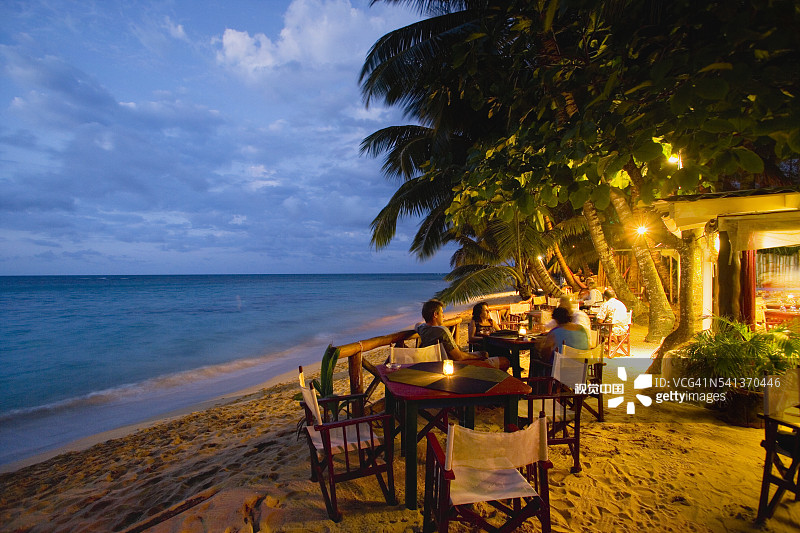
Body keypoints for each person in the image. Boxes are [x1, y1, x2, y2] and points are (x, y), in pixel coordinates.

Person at [416, 299, 510, 370]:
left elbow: (417, 325)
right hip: (456, 365)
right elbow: (459, 357)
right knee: (505, 361)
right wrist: (478, 356)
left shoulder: (422, 328)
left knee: (485, 353)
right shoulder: (442, 331)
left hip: (437, 364)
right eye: (442, 313)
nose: (443, 316)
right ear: (435, 315)